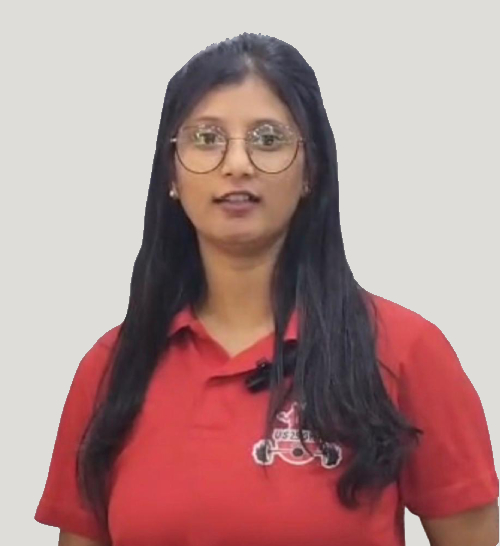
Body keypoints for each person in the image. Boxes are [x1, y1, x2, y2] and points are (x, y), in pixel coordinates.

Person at [34, 33, 498, 546]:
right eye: (206, 138)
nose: (237, 164)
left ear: (311, 169)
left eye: (268, 139)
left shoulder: (403, 350)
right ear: (171, 173)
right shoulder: (112, 368)